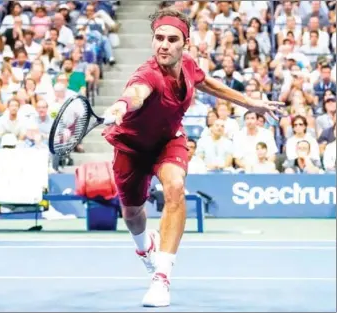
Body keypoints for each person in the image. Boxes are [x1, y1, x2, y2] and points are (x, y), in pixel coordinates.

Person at [103, 7, 283, 308]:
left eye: (172, 39)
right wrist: (121, 106)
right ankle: (144, 248)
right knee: (132, 214)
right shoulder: (148, 75)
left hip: (168, 141)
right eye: (158, 38)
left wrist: (249, 102)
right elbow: (136, 93)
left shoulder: (187, 64)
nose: (163, 44)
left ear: (184, 43)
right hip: (132, 150)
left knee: (175, 187)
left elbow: (207, 82)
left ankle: (161, 277)